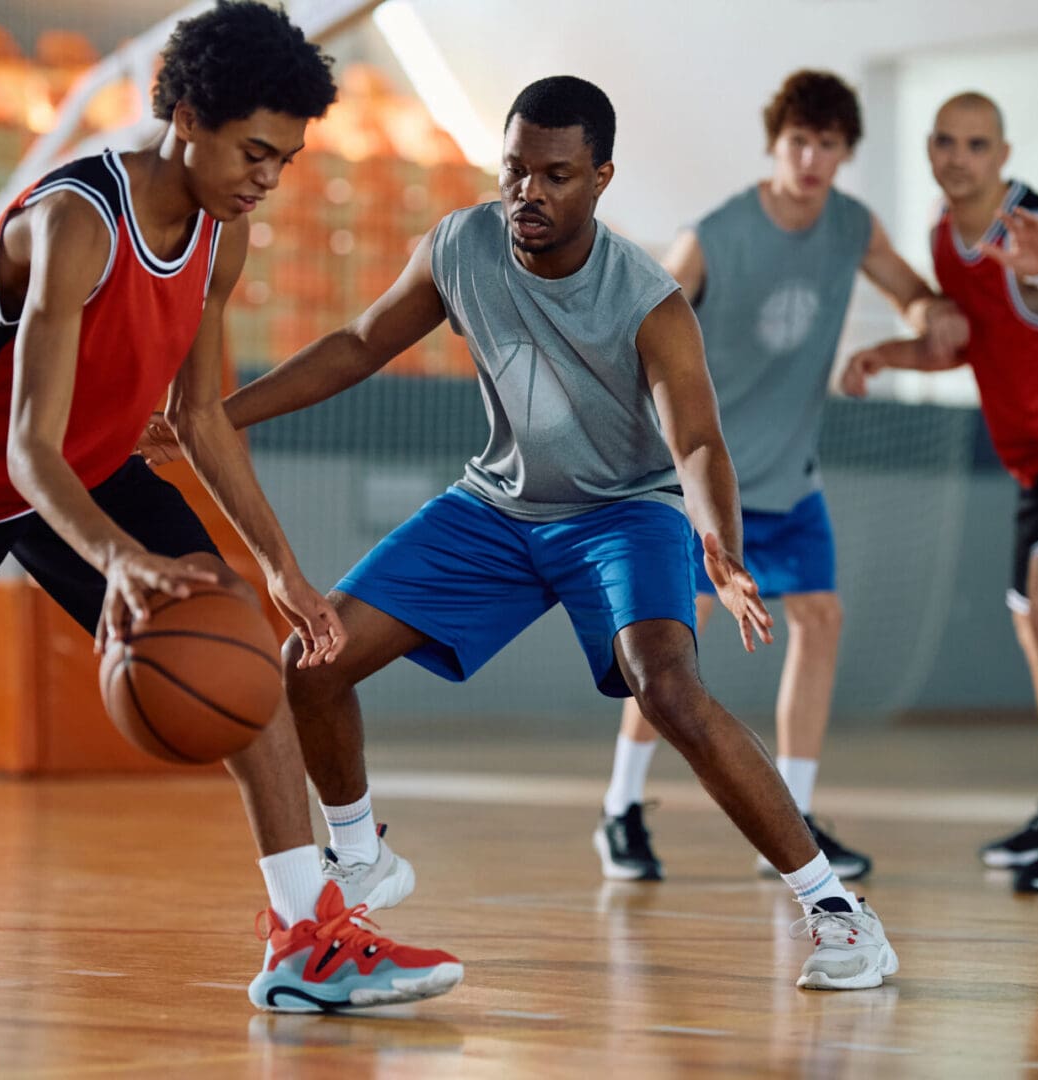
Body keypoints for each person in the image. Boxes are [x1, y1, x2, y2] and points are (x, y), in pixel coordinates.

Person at [0, 0, 462, 1013]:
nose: (268, 178)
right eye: (255, 150)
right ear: (190, 118)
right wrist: (120, 560)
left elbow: (201, 419)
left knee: (238, 641)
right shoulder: (73, 221)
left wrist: (284, 571)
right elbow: (25, 449)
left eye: (286, 161)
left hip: (89, 458)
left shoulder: (222, 236)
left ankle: (307, 940)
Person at [149, 75, 900, 991]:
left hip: (625, 510)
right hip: (498, 508)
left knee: (667, 688)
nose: (528, 194)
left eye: (556, 175)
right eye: (515, 170)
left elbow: (696, 438)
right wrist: (218, 418)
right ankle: (360, 855)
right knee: (314, 660)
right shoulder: (464, 244)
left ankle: (836, 909)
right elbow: (355, 342)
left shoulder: (647, 299)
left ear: (601, 178)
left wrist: (721, 541)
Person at [594, 70, 966, 885]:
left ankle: (790, 816)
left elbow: (910, 293)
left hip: (791, 480)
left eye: (828, 145)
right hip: (700, 481)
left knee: (821, 619)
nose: (811, 158)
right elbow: (637, 324)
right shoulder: (718, 234)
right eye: (799, 141)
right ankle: (620, 808)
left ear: (843, 153)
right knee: (671, 651)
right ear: (776, 143)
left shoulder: (850, 227)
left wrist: (928, 316)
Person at [840, 91, 1038, 893]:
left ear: (1003, 155)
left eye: (976, 145)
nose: (958, 157)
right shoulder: (946, 241)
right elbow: (971, 347)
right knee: (1037, 631)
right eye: (944, 142)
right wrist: (891, 354)